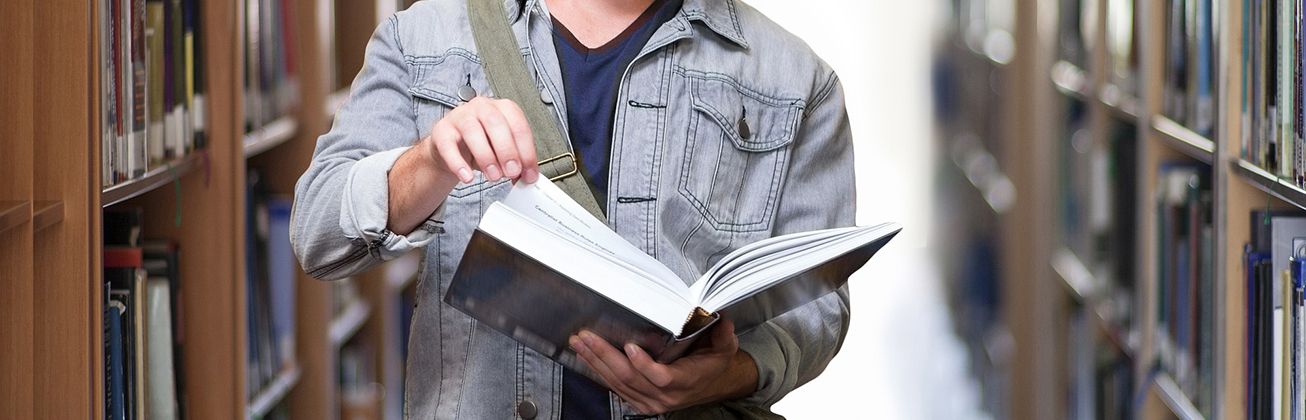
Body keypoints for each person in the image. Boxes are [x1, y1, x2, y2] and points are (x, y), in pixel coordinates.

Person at [292, 0, 856, 417]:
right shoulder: (419, 39)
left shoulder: (799, 81)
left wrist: (731, 372)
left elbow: (818, 310)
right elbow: (316, 233)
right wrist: (431, 162)